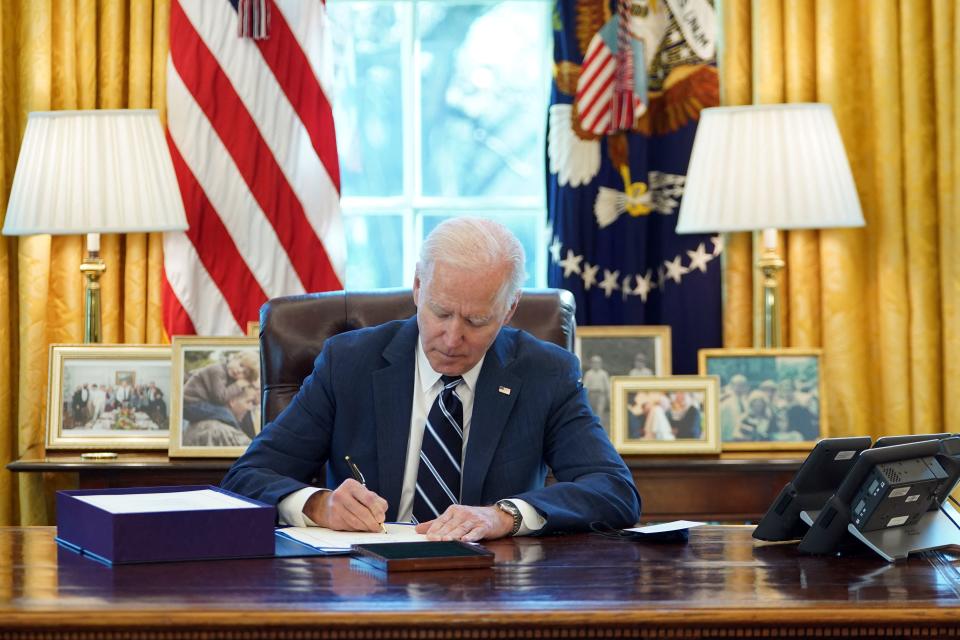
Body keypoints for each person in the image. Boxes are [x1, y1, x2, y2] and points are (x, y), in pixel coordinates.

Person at [221, 217, 640, 542]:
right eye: (440, 312)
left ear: (509, 309)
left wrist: (504, 515)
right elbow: (247, 477)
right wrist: (319, 505)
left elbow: (614, 490)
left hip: (493, 590)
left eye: (477, 320)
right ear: (419, 287)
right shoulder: (349, 362)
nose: (452, 337)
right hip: (364, 585)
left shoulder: (545, 373)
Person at [582, 355, 611, 432]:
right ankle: (591, 430)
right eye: (594, 363)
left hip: (601, 395)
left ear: (600, 364)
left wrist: (609, 397)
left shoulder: (603, 373)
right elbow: (585, 385)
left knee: (600, 412)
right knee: (591, 412)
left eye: (597, 363)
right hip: (591, 394)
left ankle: (599, 430)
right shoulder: (589, 373)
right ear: (591, 364)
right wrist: (584, 397)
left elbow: (607, 386)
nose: (596, 364)